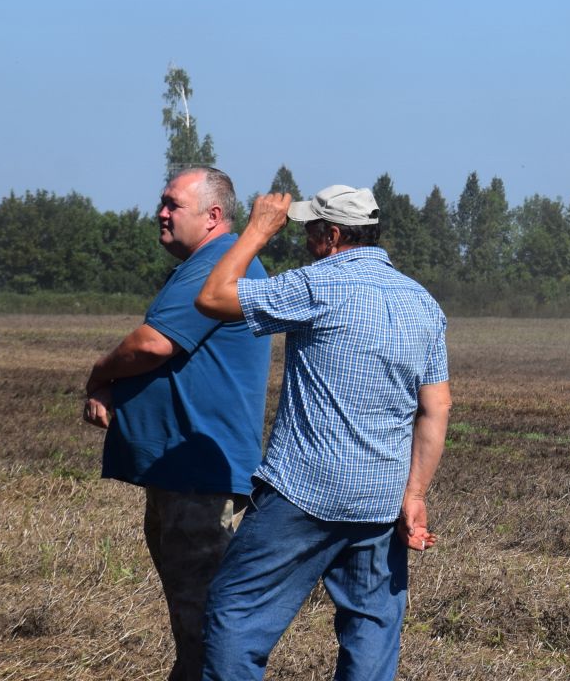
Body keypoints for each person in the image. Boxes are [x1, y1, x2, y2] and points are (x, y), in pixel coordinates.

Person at [194, 185, 451, 681]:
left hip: (305, 489)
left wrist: (256, 230)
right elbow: (436, 407)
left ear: (331, 236)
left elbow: (212, 297)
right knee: (372, 625)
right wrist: (413, 493)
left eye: (310, 230)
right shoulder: (424, 303)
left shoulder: (320, 284)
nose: (305, 241)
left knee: (236, 612)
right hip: (379, 498)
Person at [83, 167, 271, 681]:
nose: (160, 213)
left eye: (172, 204)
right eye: (161, 202)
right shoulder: (209, 264)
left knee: (206, 625)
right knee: (195, 625)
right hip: (183, 474)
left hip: (200, 481)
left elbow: (152, 343)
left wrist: (99, 375)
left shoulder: (220, 267)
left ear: (213, 217)